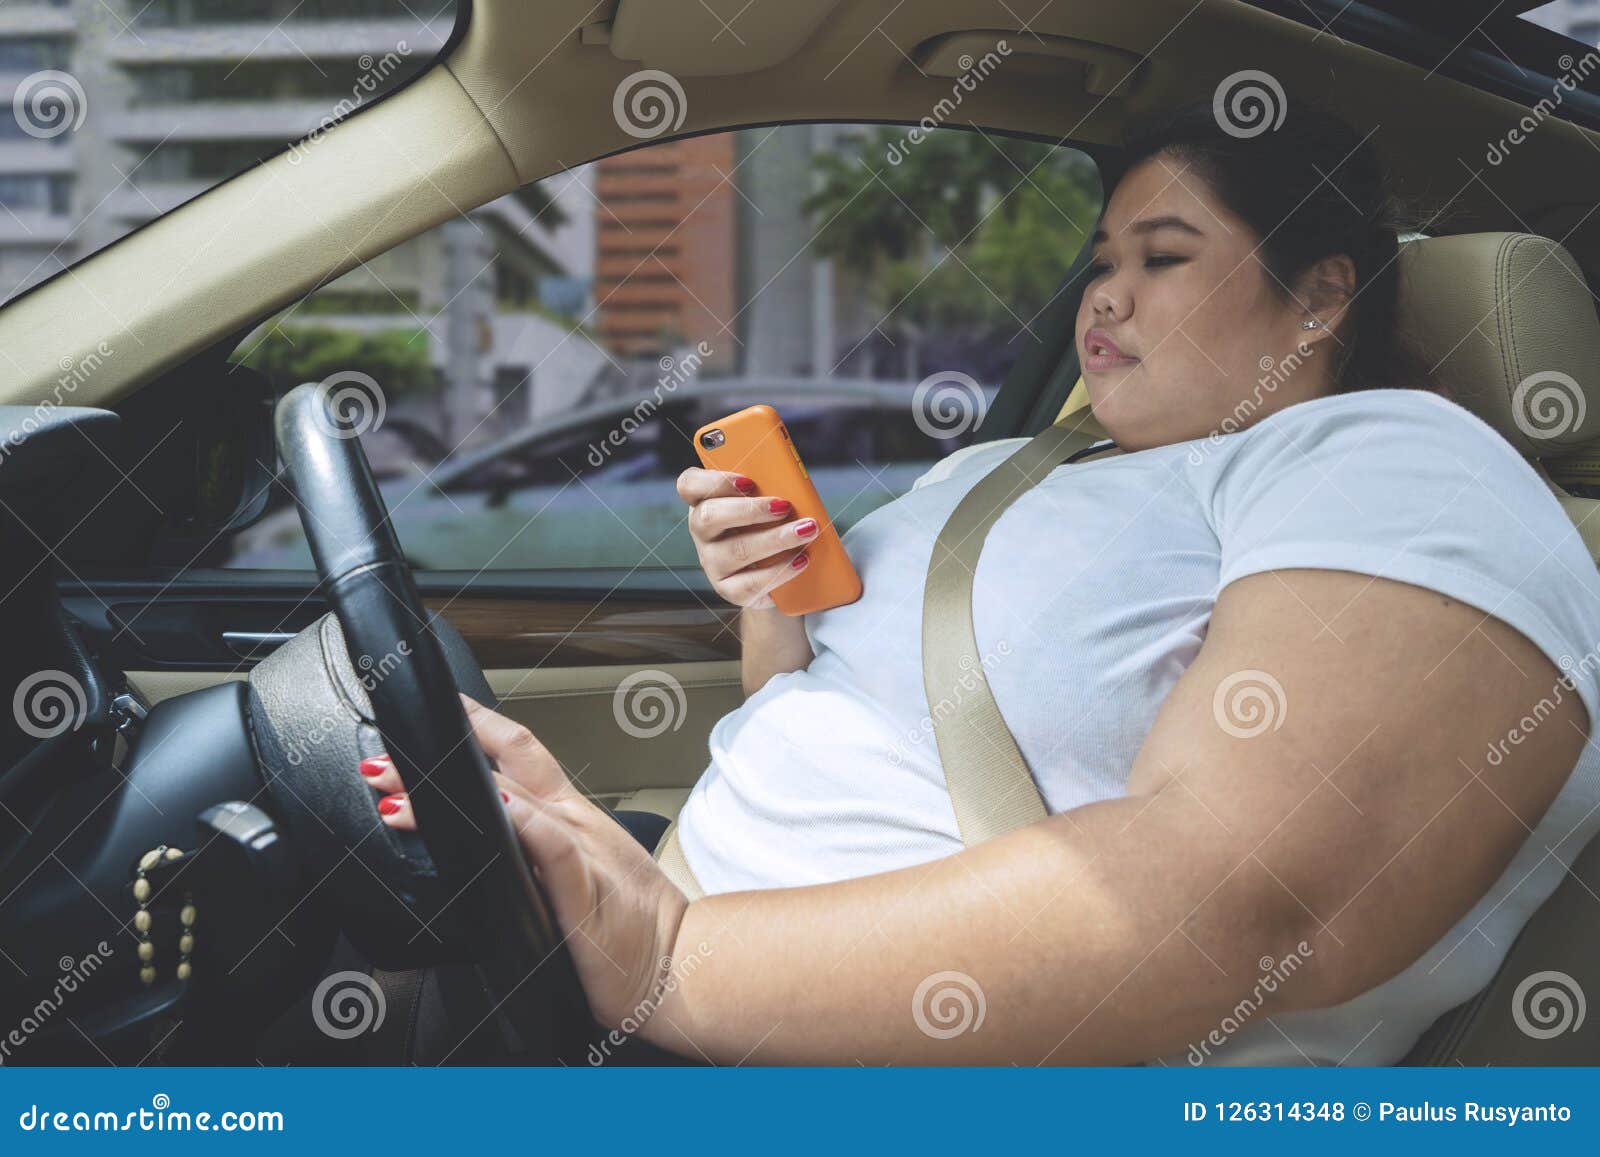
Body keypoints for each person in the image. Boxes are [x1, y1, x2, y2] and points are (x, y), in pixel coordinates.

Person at [360, 103, 1600, 1065]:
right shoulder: (1014, 463)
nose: (1102, 292)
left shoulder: (1394, 461)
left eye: (1163, 256)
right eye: (1101, 255)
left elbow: (1249, 903)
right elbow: (818, 710)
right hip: (663, 939)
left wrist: (668, 960)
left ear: (1319, 293)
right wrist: (767, 600)